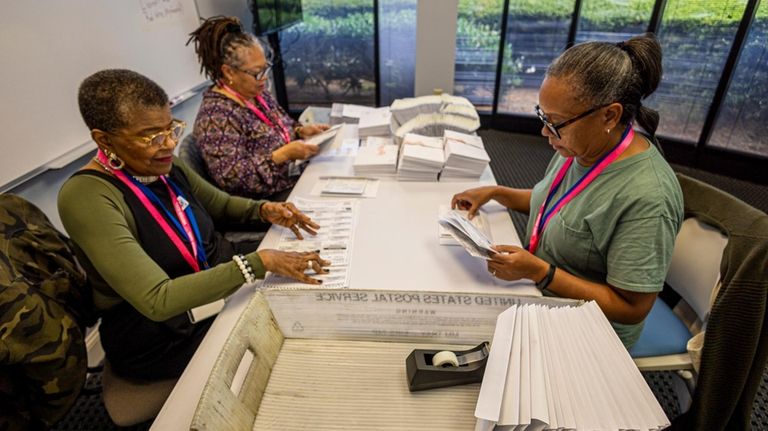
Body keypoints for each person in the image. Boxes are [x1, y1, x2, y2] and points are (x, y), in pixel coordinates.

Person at [58, 69, 330, 422]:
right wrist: (257, 264)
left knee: (312, 310)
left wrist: (265, 210)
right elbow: (158, 299)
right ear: (104, 139)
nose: (168, 144)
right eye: (150, 136)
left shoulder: (162, 165)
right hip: (165, 331)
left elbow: (219, 205)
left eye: (171, 129)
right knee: (295, 360)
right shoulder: (87, 196)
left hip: (220, 287)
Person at [451, 33, 683, 349]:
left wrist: (541, 274)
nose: (545, 131)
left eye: (556, 122)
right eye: (543, 116)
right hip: (543, 295)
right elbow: (554, 202)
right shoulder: (583, 146)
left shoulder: (648, 197)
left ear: (609, 115)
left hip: (591, 327)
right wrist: (496, 192)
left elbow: (632, 308)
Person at [187, 16, 329, 200]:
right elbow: (232, 179)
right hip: (264, 202)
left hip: (292, 179)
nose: (264, 78)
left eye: (266, 68)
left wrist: (301, 131)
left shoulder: (257, 93)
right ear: (229, 71)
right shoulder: (216, 116)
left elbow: (282, 126)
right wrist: (282, 155)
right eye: (256, 72)